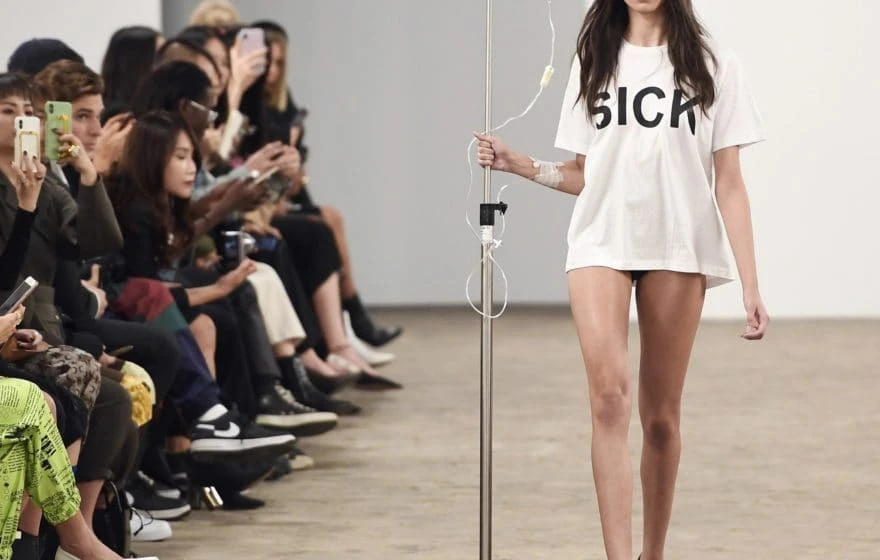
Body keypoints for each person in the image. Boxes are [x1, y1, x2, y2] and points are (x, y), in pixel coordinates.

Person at [475, 1, 769, 559]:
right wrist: (523, 166)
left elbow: (729, 182)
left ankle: (651, 554)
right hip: (599, 241)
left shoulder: (714, 65)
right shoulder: (594, 59)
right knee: (609, 400)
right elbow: (584, 174)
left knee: (660, 418)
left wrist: (751, 283)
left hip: (678, 246)